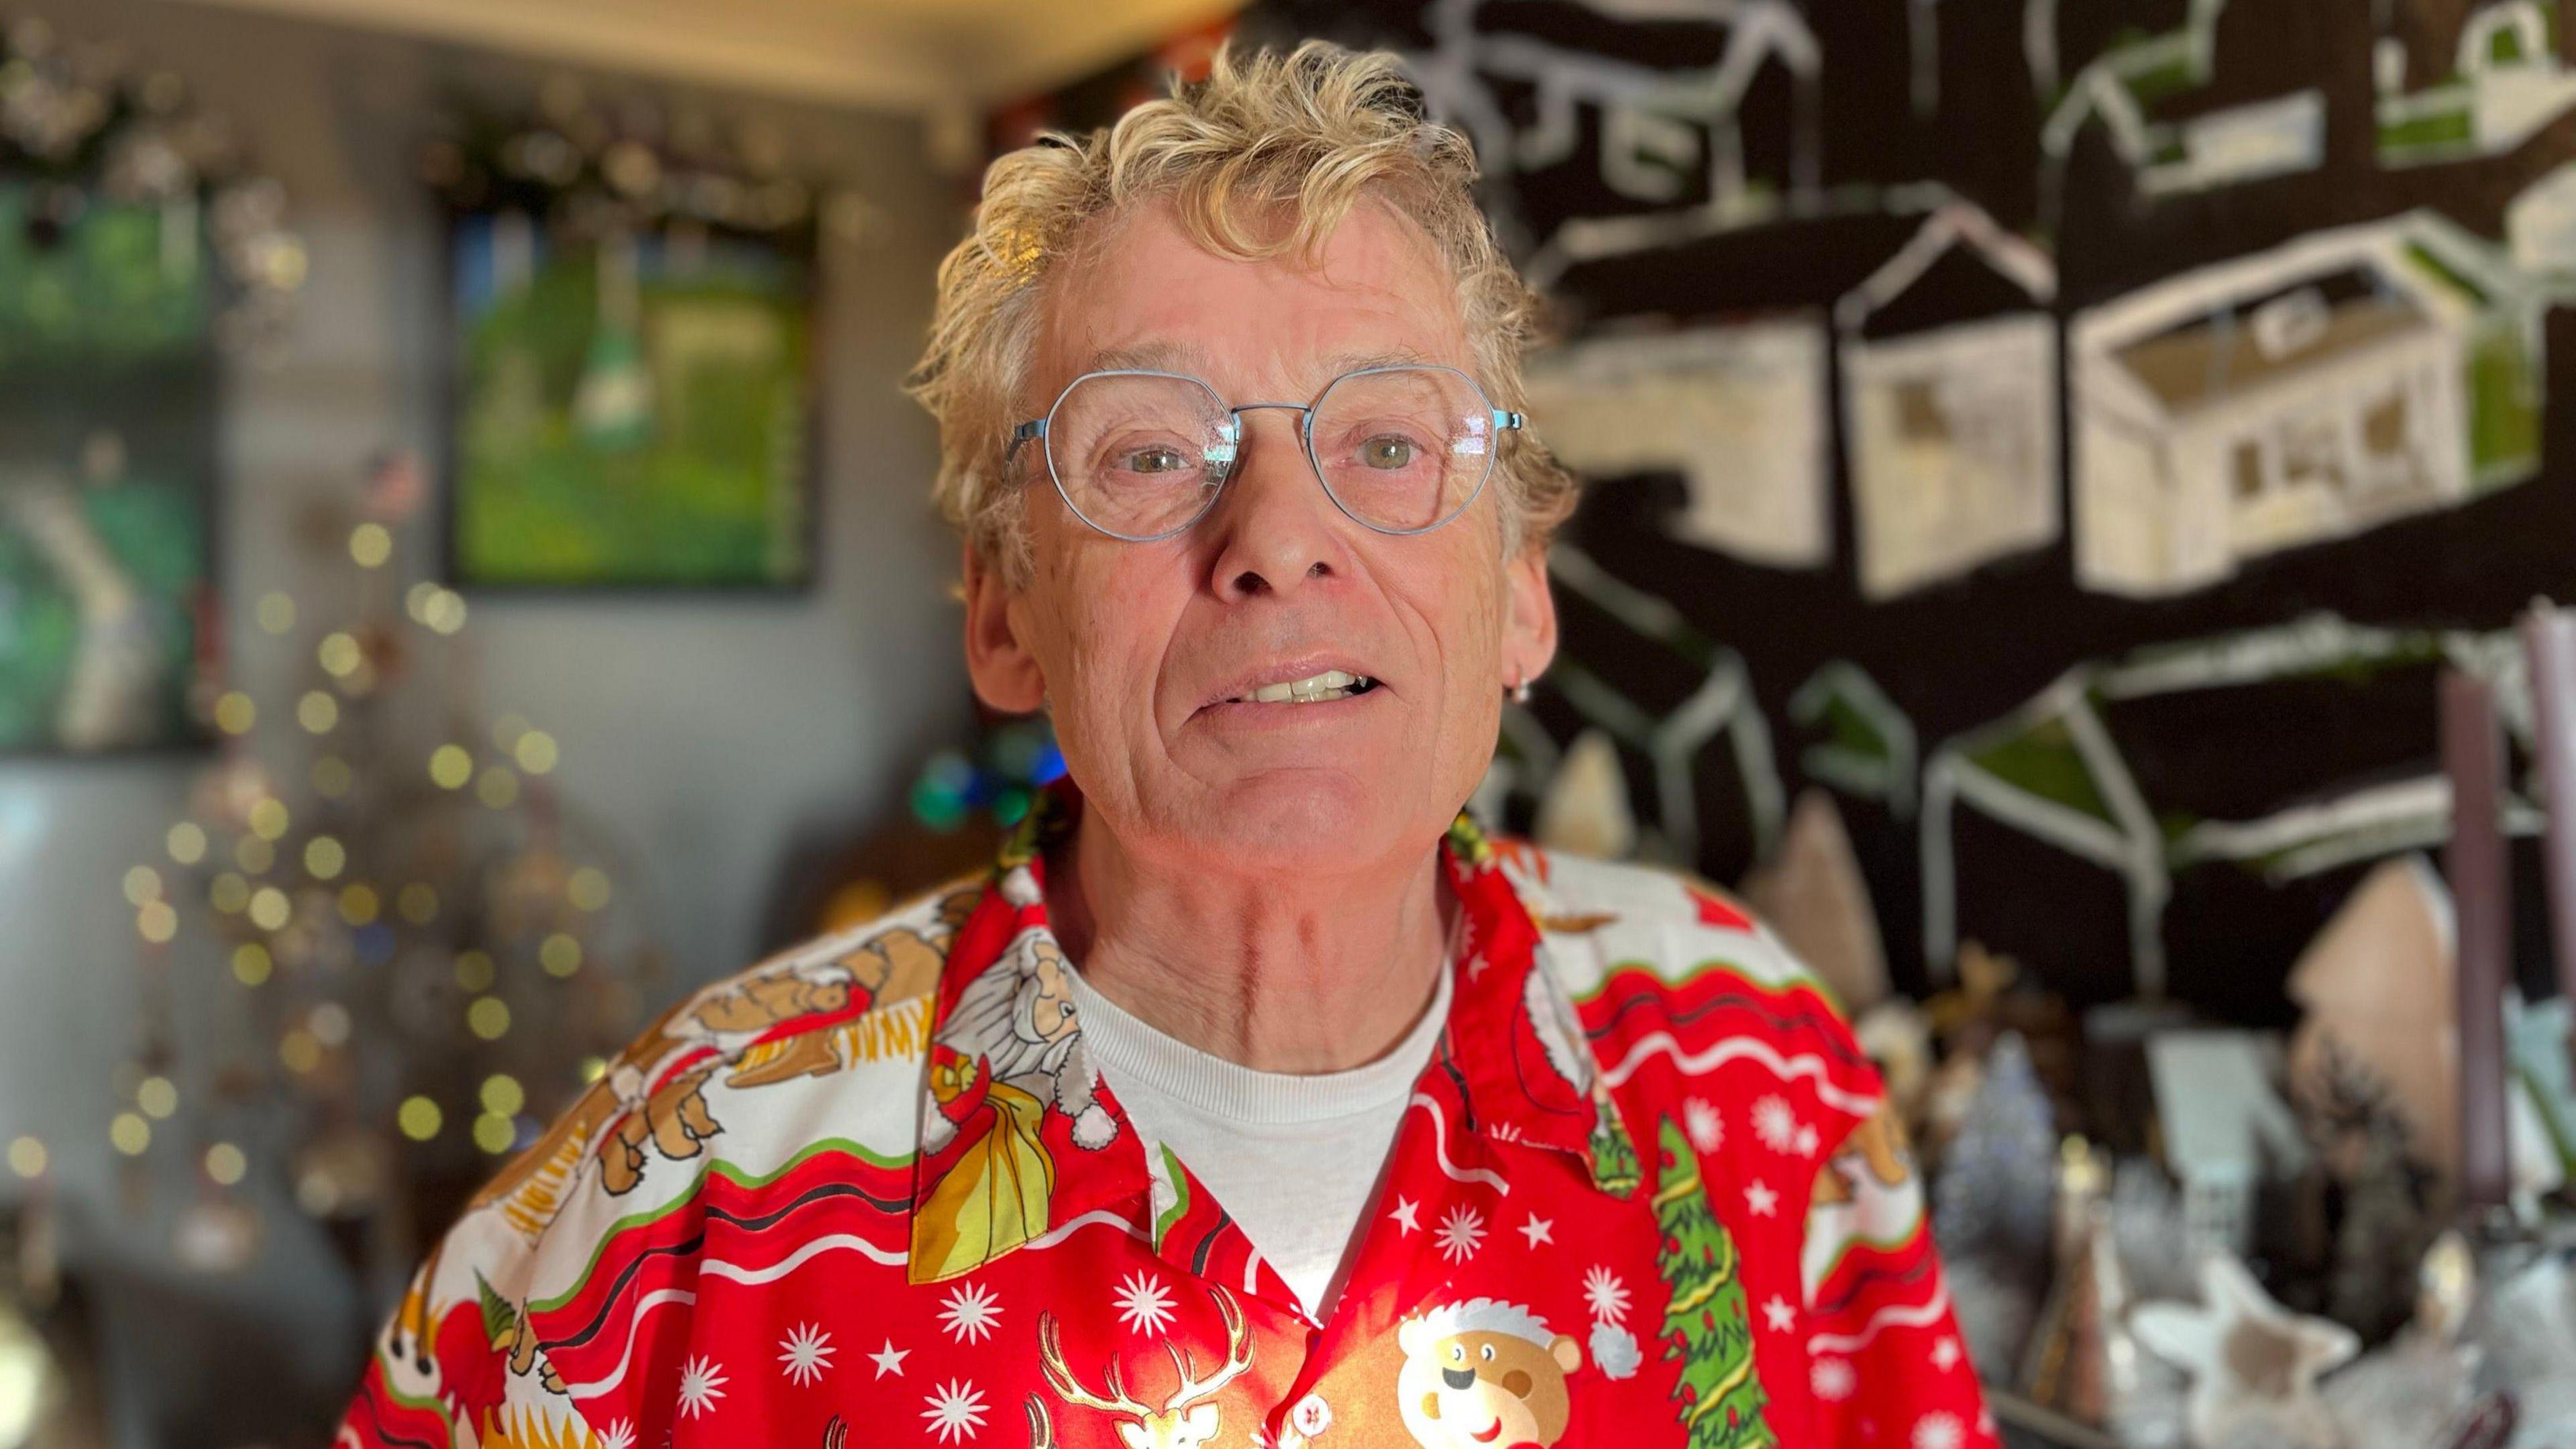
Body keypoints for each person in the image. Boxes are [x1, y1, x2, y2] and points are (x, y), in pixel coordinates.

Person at [336, 42, 1993, 1449]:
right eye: (1147, 453)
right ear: (1004, 617)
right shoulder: (677, 1202)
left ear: (1520, 599)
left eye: (1390, 441)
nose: (1281, 536)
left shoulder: (1753, 1061)